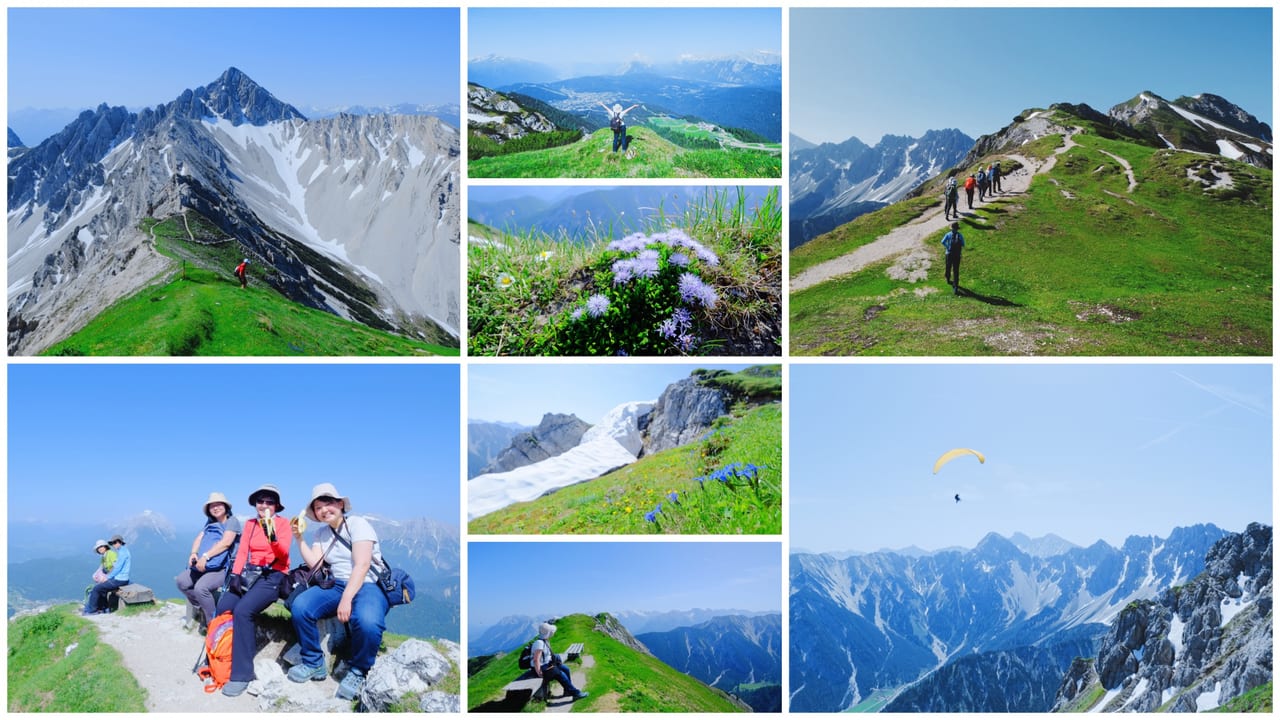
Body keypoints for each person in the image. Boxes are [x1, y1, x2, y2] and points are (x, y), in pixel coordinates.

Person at [286, 483, 390, 700]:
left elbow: (362, 565)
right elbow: (315, 564)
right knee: (301, 606)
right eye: (318, 507)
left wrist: (346, 599)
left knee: (368, 621)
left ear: (341, 504)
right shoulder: (321, 533)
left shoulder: (358, 524)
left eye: (329, 503)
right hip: (337, 584)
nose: (324, 509)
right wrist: (299, 538)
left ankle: (359, 669)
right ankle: (314, 662)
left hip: (367, 584)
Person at [214, 484, 292, 697]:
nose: (264, 505)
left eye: (269, 502)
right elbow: (243, 552)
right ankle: (223, 654)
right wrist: (236, 575)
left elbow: (284, 555)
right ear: (255, 504)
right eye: (260, 501)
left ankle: (242, 674)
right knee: (224, 605)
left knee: (243, 611)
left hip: (273, 575)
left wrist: (271, 534)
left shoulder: (284, 524)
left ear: (276, 506)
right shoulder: (250, 524)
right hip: (250, 573)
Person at [175, 492, 241, 633]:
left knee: (201, 588)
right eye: (212, 506)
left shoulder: (232, 521)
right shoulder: (210, 523)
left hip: (223, 568)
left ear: (225, 506)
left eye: (218, 504)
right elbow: (199, 538)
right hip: (204, 564)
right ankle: (204, 609)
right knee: (181, 581)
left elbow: (226, 543)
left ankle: (213, 625)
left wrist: (205, 556)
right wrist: (194, 553)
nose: (215, 508)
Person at [531, 622, 588, 702]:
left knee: (566, 669)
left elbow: (546, 656)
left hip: (547, 664)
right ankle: (575, 693)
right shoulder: (539, 643)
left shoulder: (545, 641)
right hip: (541, 667)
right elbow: (536, 659)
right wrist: (539, 672)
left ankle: (567, 691)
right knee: (560, 674)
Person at [84, 535, 130, 615]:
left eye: (116, 542)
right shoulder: (119, 552)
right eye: (113, 543)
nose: (115, 544)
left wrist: (107, 577)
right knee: (101, 588)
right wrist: (96, 575)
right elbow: (102, 567)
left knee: (96, 589)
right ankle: (104, 608)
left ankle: (92, 611)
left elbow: (116, 568)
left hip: (119, 579)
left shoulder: (118, 553)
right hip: (118, 578)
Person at [941, 222, 965, 295]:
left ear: (951, 228)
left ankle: (948, 278)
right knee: (956, 270)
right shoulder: (960, 235)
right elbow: (963, 244)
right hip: (957, 255)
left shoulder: (948, 234)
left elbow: (942, 241)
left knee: (948, 267)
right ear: (957, 229)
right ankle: (956, 286)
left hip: (949, 253)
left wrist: (948, 247)